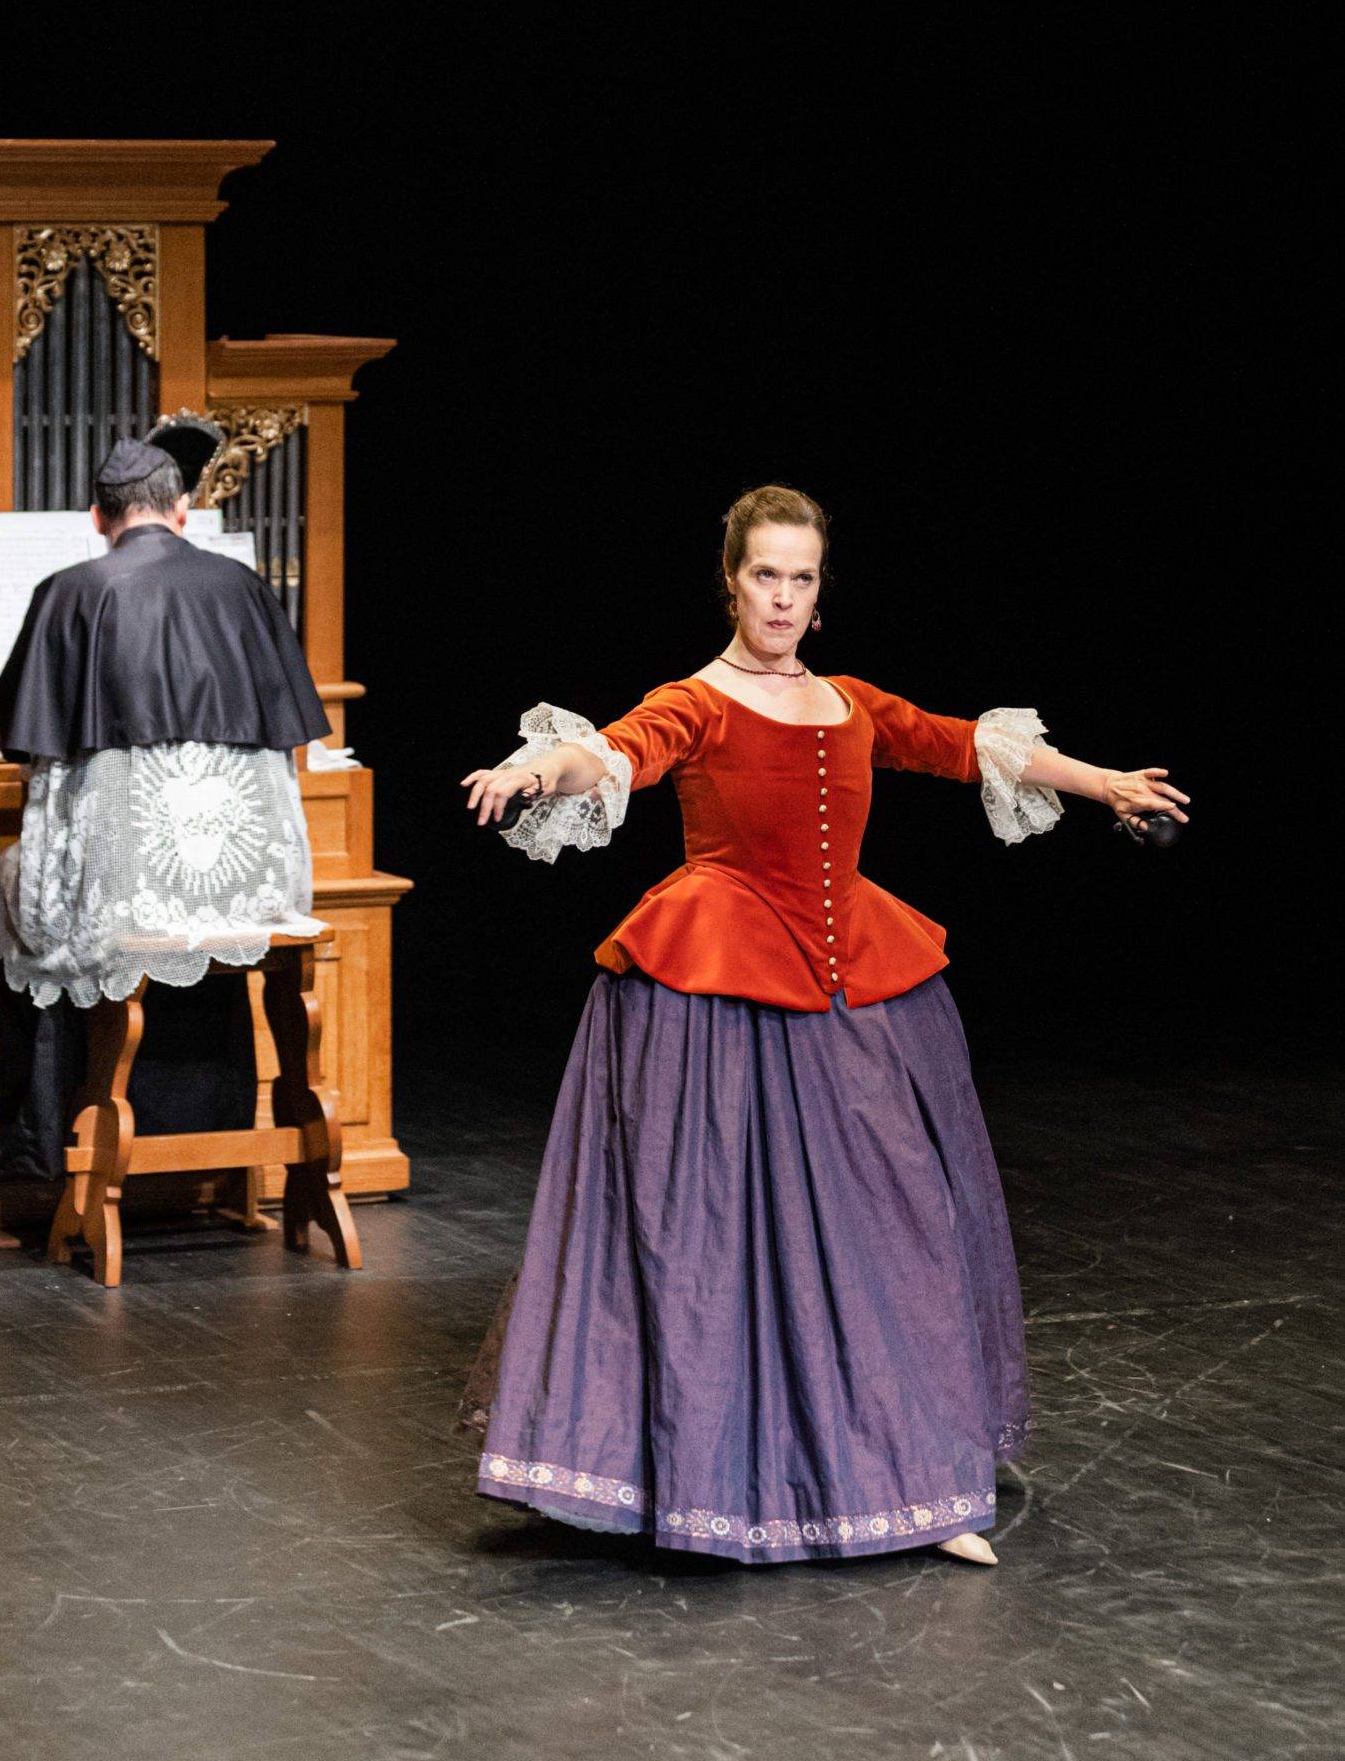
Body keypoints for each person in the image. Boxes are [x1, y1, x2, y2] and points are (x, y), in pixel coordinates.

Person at [459, 484, 1188, 1568]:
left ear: (818, 589)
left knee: (897, 1228)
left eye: (800, 578)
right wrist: (532, 766)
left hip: (852, 989)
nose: (782, 597)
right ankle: (710, 1480)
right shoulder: (695, 702)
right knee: (713, 1243)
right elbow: (613, 753)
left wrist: (1102, 783)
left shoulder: (851, 703)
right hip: (718, 1000)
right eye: (765, 575)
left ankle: (916, 1482)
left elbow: (963, 746)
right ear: (732, 582)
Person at [0, 430, 331, 1010]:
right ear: (183, 509)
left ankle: (58, 1068)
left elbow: (20, 729)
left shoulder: (70, 591)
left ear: (98, 518)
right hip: (244, 890)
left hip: (120, 900)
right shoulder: (245, 587)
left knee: (8, 886)